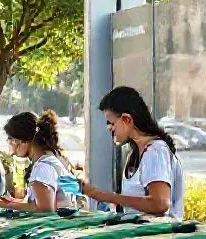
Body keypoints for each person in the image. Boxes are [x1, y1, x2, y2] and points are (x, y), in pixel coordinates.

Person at [78, 86, 185, 218]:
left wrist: (102, 195)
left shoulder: (156, 151)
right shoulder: (133, 155)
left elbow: (160, 203)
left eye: (111, 123)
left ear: (126, 119)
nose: (109, 128)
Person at [0, 111, 75, 212]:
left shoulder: (43, 168)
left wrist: (3, 204)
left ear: (24, 141)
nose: (12, 150)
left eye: (11, 139)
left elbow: (44, 210)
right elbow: (36, 203)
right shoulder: (50, 160)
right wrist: (5, 201)